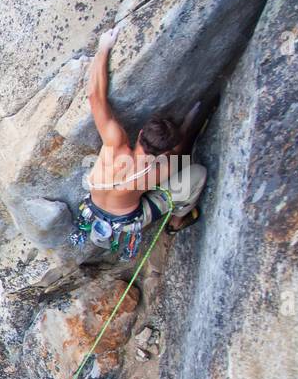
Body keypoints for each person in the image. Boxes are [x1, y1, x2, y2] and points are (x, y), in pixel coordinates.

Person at [71, 26, 211, 259]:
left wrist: (104, 47)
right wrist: (187, 127)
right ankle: (178, 219)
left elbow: (94, 96)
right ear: (164, 152)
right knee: (198, 173)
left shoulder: (114, 143)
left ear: (140, 133)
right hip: (126, 222)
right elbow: (178, 155)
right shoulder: (159, 170)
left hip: (92, 208)